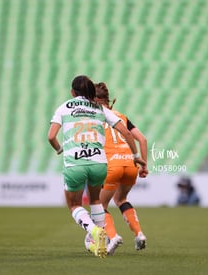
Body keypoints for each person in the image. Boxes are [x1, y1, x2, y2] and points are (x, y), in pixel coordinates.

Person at [48, 75, 147, 258]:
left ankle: (98, 232)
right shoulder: (103, 110)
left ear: (72, 92)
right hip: (102, 163)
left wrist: (60, 149)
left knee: (75, 204)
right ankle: (107, 240)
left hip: (78, 162)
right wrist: (136, 156)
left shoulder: (64, 107)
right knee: (100, 201)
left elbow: (51, 136)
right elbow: (129, 133)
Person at [92, 82, 149, 255]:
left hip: (112, 164)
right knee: (121, 199)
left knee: (99, 206)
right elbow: (142, 139)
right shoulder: (122, 117)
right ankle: (139, 234)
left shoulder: (94, 116)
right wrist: (143, 163)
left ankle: (113, 236)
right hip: (130, 163)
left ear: (93, 99)